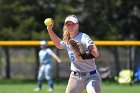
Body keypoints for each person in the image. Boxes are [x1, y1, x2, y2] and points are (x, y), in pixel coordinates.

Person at [46, 15, 102, 93]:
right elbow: (58, 44)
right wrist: (50, 30)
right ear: (65, 26)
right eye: (68, 24)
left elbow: (96, 53)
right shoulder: (68, 40)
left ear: (77, 25)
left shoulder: (83, 37)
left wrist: (82, 56)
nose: (70, 26)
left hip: (91, 76)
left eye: (73, 24)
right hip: (75, 77)